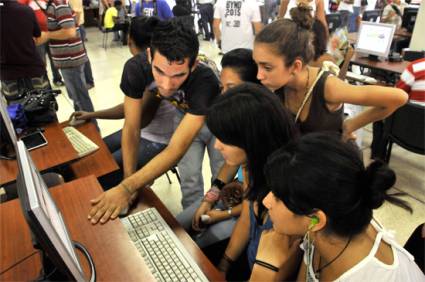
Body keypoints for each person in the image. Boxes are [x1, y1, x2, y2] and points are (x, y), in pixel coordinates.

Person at [88, 19, 223, 224]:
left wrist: (126, 188)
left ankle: (215, 222)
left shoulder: (206, 81)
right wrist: (129, 180)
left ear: (194, 65)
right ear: (149, 55)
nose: (167, 85)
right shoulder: (135, 68)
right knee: (190, 178)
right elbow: (132, 128)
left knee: (220, 178)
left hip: (218, 122)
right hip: (184, 112)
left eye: (178, 75)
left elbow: (177, 147)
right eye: (159, 71)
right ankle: (193, 222)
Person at [255, 133, 424, 281]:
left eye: (278, 196)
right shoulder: (331, 222)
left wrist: (262, 271)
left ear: (316, 219)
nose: (266, 201)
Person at [253, 4, 408, 139]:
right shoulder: (279, 83)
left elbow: (399, 97)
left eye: (267, 68)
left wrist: (350, 125)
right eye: (257, 65)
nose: (258, 75)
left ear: (295, 66)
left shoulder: (328, 87)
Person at [70, 16, 176, 188]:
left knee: (100, 173)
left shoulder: (150, 71)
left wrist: (131, 179)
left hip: (159, 139)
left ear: (129, 40)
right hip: (144, 131)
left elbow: (138, 121)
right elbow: (131, 109)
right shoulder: (149, 64)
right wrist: (91, 114)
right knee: (90, 159)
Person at [176, 48, 261, 248]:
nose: (223, 95)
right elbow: (229, 168)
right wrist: (209, 199)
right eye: (222, 88)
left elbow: (256, 206)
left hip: (251, 211)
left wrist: (221, 214)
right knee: (177, 227)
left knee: (200, 244)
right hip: (234, 196)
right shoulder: (237, 119)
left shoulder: (260, 130)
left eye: (230, 87)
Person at [46, 0, 96, 114]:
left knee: (80, 98)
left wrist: (47, 35)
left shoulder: (59, 5)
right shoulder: (56, 4)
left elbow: (70, 32)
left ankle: (91, 127)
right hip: (68, 59)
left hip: (70, 59)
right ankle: (83, 123)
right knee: (76, 96)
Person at [0, 0, 50, 98]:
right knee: (44, 106)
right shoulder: (26, 10)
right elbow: (37, 34)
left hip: (8, 74)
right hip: (33, 68)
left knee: (16, 109)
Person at [17, 0, 65, 88]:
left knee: (54, 58)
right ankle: (44, 81)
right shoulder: (25, 2)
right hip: (37, 36)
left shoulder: (47, 2)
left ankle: (57, 78)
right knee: (41, 60)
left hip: (51, 33)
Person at [68, 0, 95, 88]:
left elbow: (77, 13)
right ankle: (84, 80)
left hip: (76, 26)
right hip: (74, 26)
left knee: (82, 55)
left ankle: (89, 81)